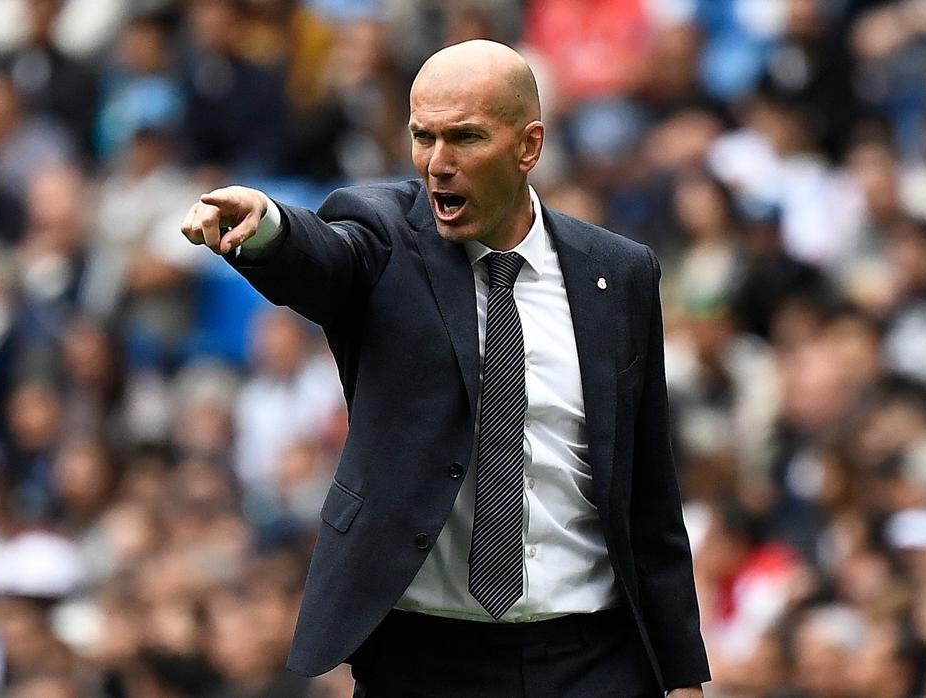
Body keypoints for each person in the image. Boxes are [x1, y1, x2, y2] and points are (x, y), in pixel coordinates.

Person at [180, 40, 709, 697]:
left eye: (465, 137)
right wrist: (269, 228)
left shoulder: (618, 273)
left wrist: (683, 675)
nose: (437, 163)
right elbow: (324, 259)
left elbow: (648, 492)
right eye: (422, 136)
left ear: (529, 146)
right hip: (423, 662)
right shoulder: (383, 236)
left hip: (592, 658)